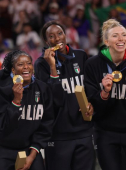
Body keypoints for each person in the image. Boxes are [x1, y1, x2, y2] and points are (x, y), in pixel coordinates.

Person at [34, 20, 95, 170]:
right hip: (57, 135)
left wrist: (92, 104)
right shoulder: (41, 64)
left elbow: (90, 87)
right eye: (52, 36)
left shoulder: (81, 56)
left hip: (84, 132)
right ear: (47, 41)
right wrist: (53, 67)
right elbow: (53, 100)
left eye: (60, 33)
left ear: (65, 35)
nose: (57, 38)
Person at [0, 50, 54, 170]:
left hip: (27, 148)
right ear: (13, 70)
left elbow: (46, 126)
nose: (26, 67)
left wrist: (32, 156)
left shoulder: (43, 89)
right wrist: (16, 102)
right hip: (1, 147)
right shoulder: (2, 89)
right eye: (20, 64)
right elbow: (5, 125)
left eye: (28, 63)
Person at [84, 19, 126, 169]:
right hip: (105, 132)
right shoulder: (93, 64)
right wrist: (105, 92)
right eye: (115, 36)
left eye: (124, 35)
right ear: (106, 41)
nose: (121, 39)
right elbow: (92, 103)